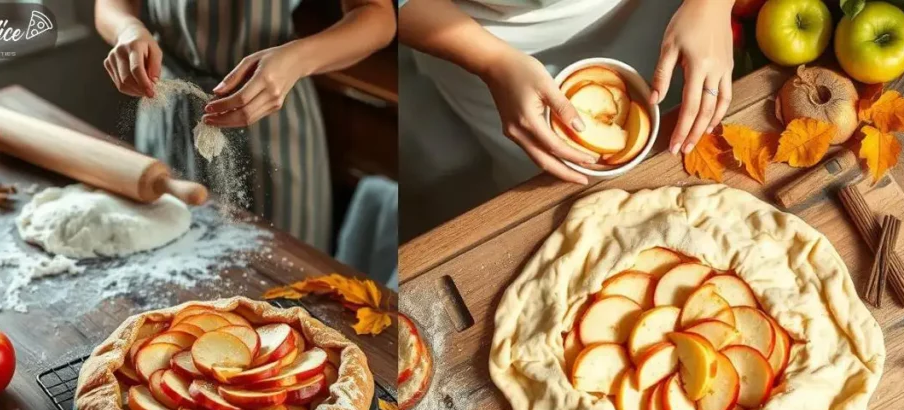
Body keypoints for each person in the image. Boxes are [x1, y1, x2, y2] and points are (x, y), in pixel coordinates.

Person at [95, 0, 395, 251]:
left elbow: (376, 15)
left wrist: (298, 59)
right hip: (167, 108)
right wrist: (127, 28)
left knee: (282, 285)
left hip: (272, 111)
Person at [399, 0, 734, 187]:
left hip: (654, 13)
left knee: (675, 123)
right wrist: (493, 62)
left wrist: (712, 6)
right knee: (549, 176)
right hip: (483, 37)